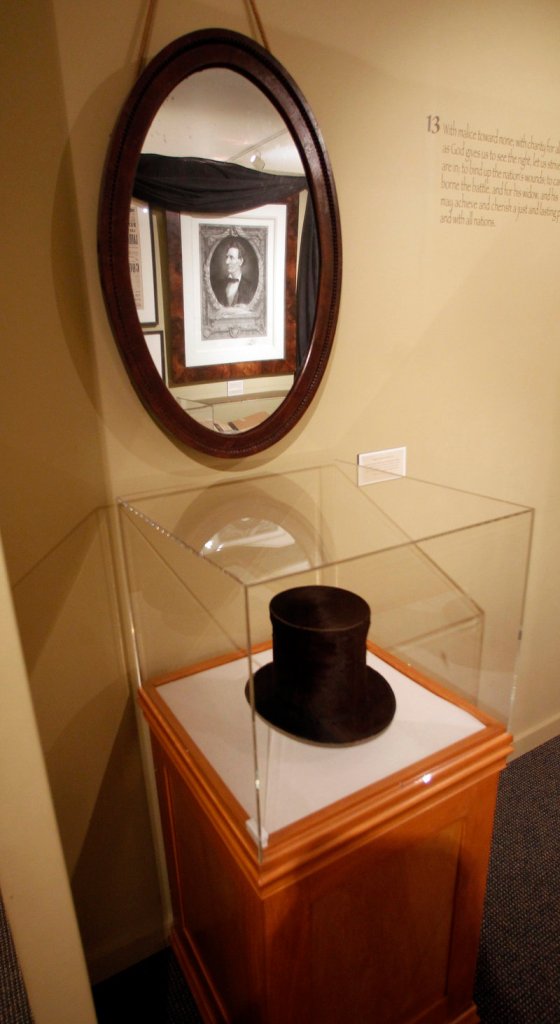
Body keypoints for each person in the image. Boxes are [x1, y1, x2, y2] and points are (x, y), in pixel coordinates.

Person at [211, 240, 256, 307]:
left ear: (240, 261)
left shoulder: (250, 288)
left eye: (231, 257)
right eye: (227, 257)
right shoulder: (218, 286)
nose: (227, 261)